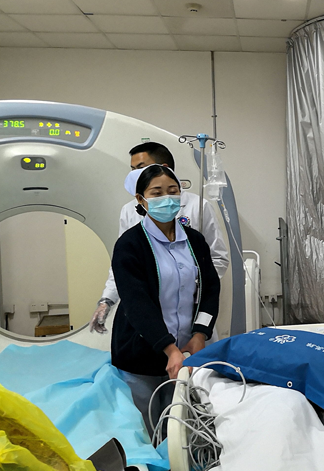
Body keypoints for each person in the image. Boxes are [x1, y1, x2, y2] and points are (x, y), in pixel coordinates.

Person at [111, 165, 221, 432]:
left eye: (173, 191)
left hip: (188, 349)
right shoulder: (130, 245)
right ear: (141, 199)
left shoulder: (195, 241)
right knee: (147, 429)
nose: (167, 198)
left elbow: (210, 289)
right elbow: (137, 304)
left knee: (184, 426)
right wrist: (169, 349)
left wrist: (200, 334)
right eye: (157, 193)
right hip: (141, 353)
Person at [89, 141, 229, 333]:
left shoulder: (198, 207)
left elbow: (217, 259)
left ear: (163, 167)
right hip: (149, 308)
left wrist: (192, 285)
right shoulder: (129, 212)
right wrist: (107, 299)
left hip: (191, 309)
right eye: (132, 170)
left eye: (140, 168)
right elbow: (122, 266)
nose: (134, 175)